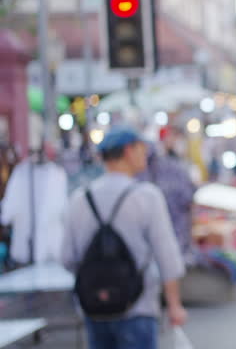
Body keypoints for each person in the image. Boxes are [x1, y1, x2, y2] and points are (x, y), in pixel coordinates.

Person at [61, 126, 186, 349]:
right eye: (142, 148)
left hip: (94, 308)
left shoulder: (80, 198)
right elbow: (167, 255)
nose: (145, 154)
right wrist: (174, 305)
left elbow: (67, 258)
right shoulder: (146, 196)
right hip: (138, 307)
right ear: (129, 151)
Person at [0, 144, 67, 265]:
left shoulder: (57, 174)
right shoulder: (21, 174)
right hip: (31, 247)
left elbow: (7, 213)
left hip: (48, 248)